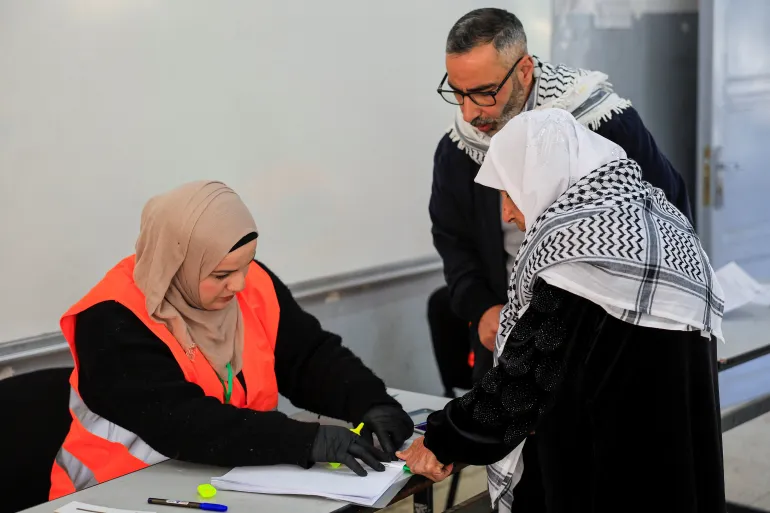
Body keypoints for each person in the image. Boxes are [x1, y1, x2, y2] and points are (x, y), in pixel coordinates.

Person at [400, 109, 726, 513]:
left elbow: (519, 388)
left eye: (508, 192)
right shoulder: (663, 224)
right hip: (680, 464)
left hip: (616, 475)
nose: (506, 213)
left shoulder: (578, 258)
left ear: (541, 178)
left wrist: (439, 438)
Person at [50, 181, 414, 499]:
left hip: (217, 480)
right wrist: (307, 441)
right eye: (221, 274)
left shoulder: (249, 283)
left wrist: (370, 401)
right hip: (115, 492)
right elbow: (180, 420)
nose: (239, 284)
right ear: (179, 263)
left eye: (248, 263)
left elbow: (308, 357)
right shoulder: (111, 318)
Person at [429, 6, 692, 386]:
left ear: (524, 71)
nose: (469, 113)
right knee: (503, 436)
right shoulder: (461, 146)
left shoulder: (600, 123)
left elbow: (670, 214)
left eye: (485, 93)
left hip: (607, 337)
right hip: (511, 330)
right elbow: (452, 237)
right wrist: (482, 308)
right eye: (458, 93)